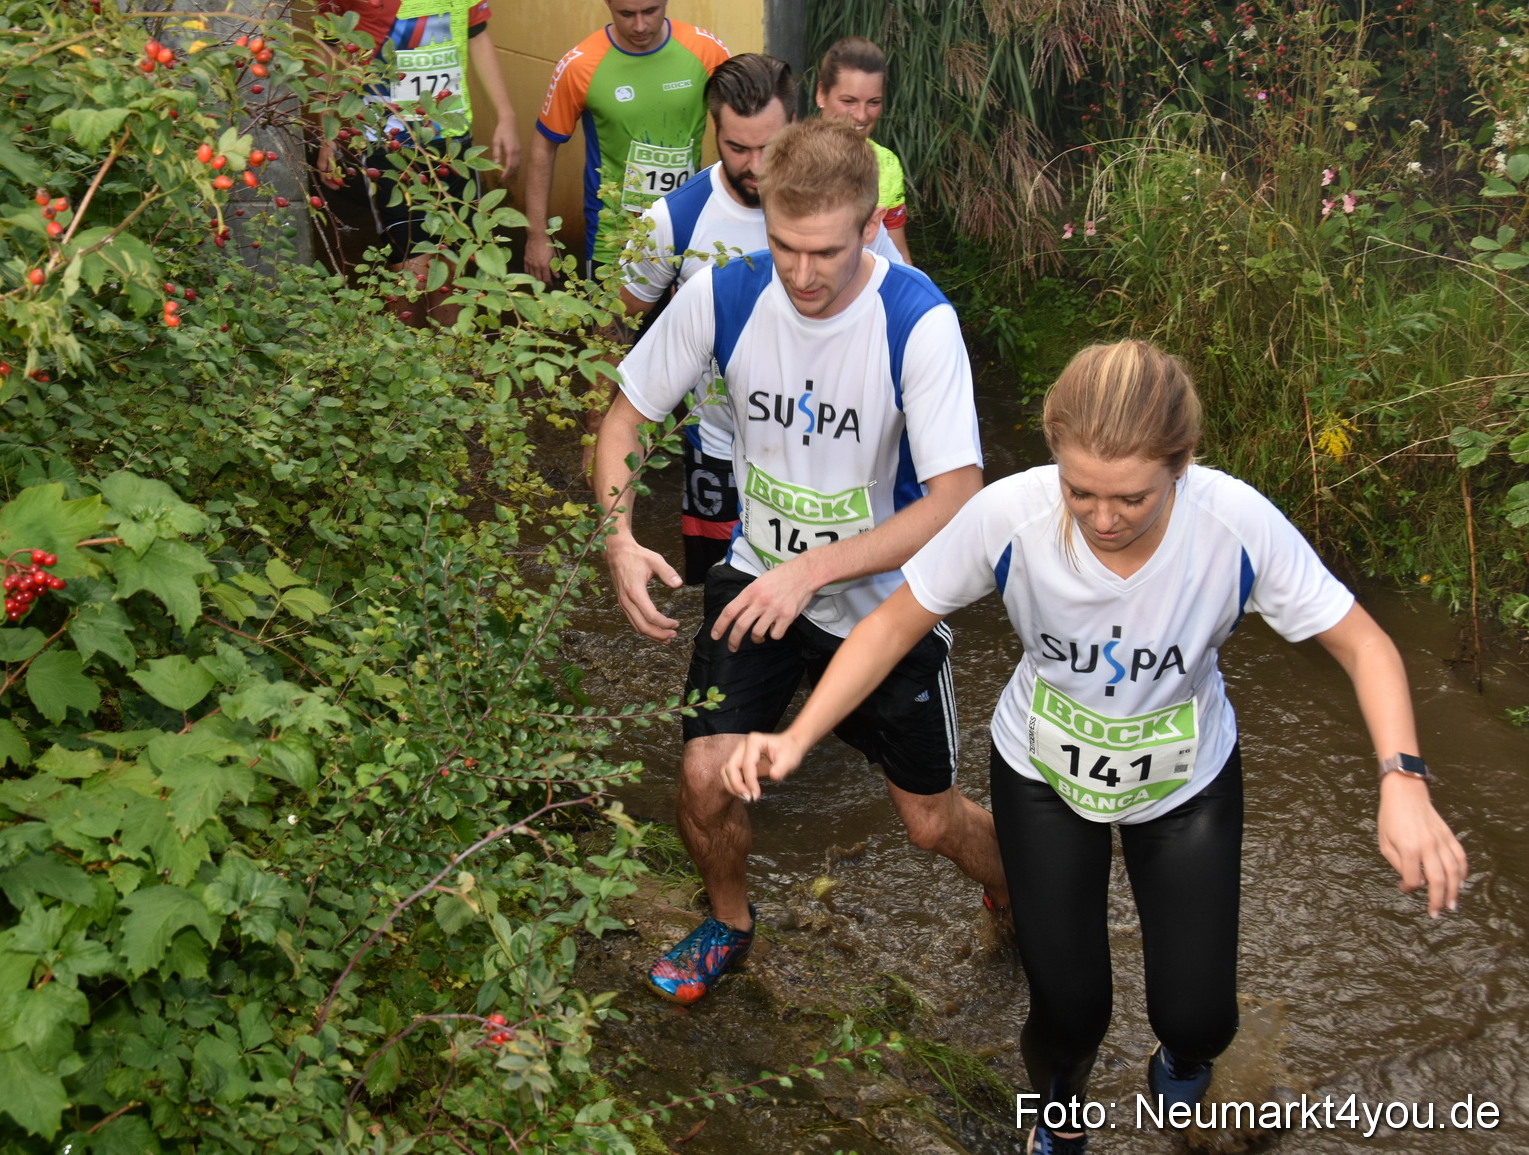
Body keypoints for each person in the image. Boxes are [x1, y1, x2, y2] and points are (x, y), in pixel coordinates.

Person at [723, 341, 1470, 1153]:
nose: (1104, 518)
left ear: (1182, 464)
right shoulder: (1011, 514)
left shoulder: (1235, 526)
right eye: (1080, 491)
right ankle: (1059, 1120)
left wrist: (1404, 780)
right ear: (1054, 456)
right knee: (1070, 1010)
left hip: (1185, 782)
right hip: (1044, 775)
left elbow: (1365, 644)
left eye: (1132, 497)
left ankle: (1180, 1062)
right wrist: (796, 734)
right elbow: (891, 624)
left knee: (1200, 1018)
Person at [593, 118, 1009, 1007]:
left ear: (870, 227)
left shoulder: (917, 321)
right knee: (704, 774)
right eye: (785, 245)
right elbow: (625, 416)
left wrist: (815, 569)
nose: (803, 273)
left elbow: (957, 498)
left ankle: (1013, 892)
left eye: (826, 251)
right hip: (759, 577)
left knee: (928, 821)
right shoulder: (725, 294)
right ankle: (729, 922)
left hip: (886, 604)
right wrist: (619, 537)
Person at [619, 52, 905, 586]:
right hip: (716, 444)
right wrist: (603, 412)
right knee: (717, 594)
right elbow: (617, 318)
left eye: (768, 147)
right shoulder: (674, 219)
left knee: (827, 590)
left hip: (827, 444)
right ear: (713, 131)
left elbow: (894, 300)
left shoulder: (839, 208)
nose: (754, 165)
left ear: (794, 125)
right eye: (737, 147)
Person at [295, 0, 521, 318]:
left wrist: (506, 115)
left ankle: (447, 348)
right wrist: (328, 136)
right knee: (412, 270)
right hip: (387, 143)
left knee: (451, 269)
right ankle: (403, 346)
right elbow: (328, 49)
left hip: (453, 139)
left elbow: (478, 34)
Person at [524, 0, 729, 282]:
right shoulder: (580, 64)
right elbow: (543, 147)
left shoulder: (706, 50)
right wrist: (536, 235)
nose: (640, 25)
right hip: (614, 241)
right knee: (611, 314)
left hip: (688, 234)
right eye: (627, 14)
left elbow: (741, 128)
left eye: (650, 11)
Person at [815, 36, 910, 265]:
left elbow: (899, 259)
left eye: (873, 102)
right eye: (849, 101)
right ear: (821, 94)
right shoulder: (785, 157)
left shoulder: (887, 164)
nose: (861, 115)